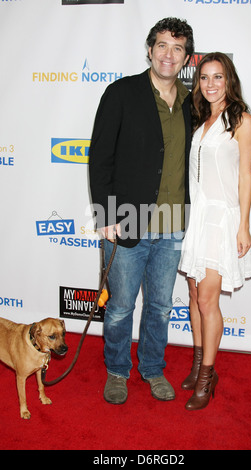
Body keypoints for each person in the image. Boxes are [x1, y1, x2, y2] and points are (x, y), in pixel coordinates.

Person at [89, 17, 194, 404]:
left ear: (186, 57)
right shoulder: (121, 93)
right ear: (149, 49)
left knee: (162, 307)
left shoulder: (190, 101)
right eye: (162, 45)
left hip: (173, 225)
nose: (169, 54)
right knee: (119, 307)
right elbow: (99, 159)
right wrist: (105, 216)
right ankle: (117, 370)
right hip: (128, 220)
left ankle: (152, 368)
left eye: (177, 48)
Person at [179, 52, 251, 410]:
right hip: (197, 218)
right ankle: (198, 366)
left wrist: (243, 225)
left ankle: (208, 378)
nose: (210, 84)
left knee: (208, 300)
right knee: (195, 297)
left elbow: (244, 177)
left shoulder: (241, 120)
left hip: (221, 220)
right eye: (205, 77)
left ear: (229, 80)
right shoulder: (200, 119)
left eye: (218, 77)